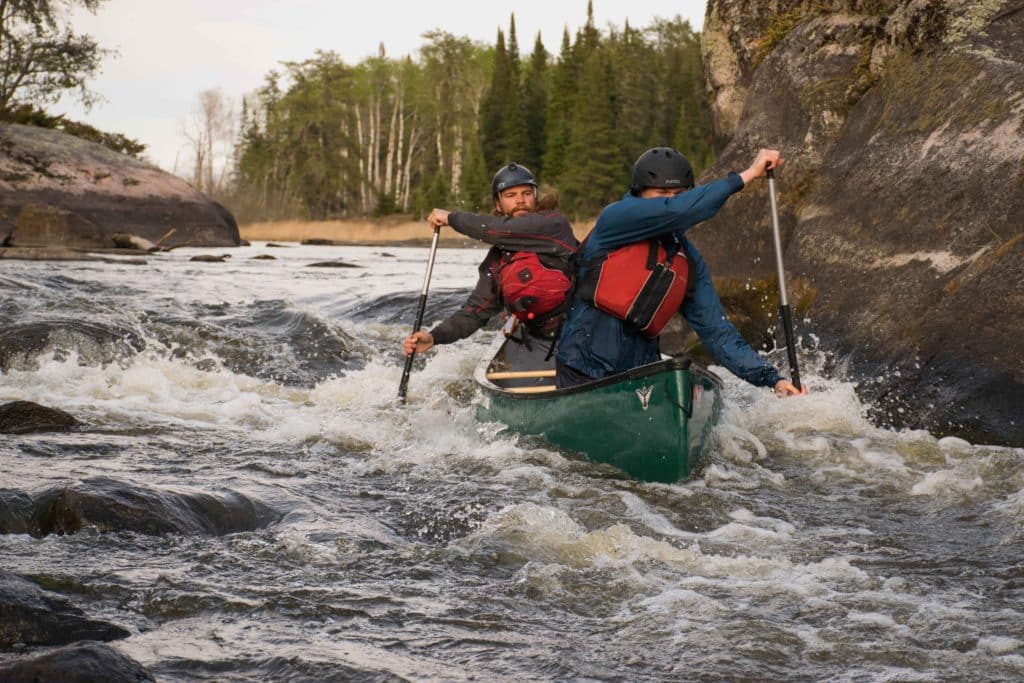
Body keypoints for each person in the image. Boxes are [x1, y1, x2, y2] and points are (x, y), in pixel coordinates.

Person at [555, 146, 806, 397]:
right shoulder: (615, 219)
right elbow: (676, 210)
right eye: (662, 193)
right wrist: (747, 175)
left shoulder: (686, 260)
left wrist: (773, 379)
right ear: (639, 193)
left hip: (638, 377)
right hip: (583, 368)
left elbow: (719, 334)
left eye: (679, 193)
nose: (671, 199)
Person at [403, 162, 578, 357]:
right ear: (498, 204)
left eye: (526, 193)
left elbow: (497, 230)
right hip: (541, 339)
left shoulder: (554, 225)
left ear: (535, 198)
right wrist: (434, 337)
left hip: (580, 328)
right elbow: (475, 311)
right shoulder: (497, 261)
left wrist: (451, 218)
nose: (520, 200)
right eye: (510, 195)